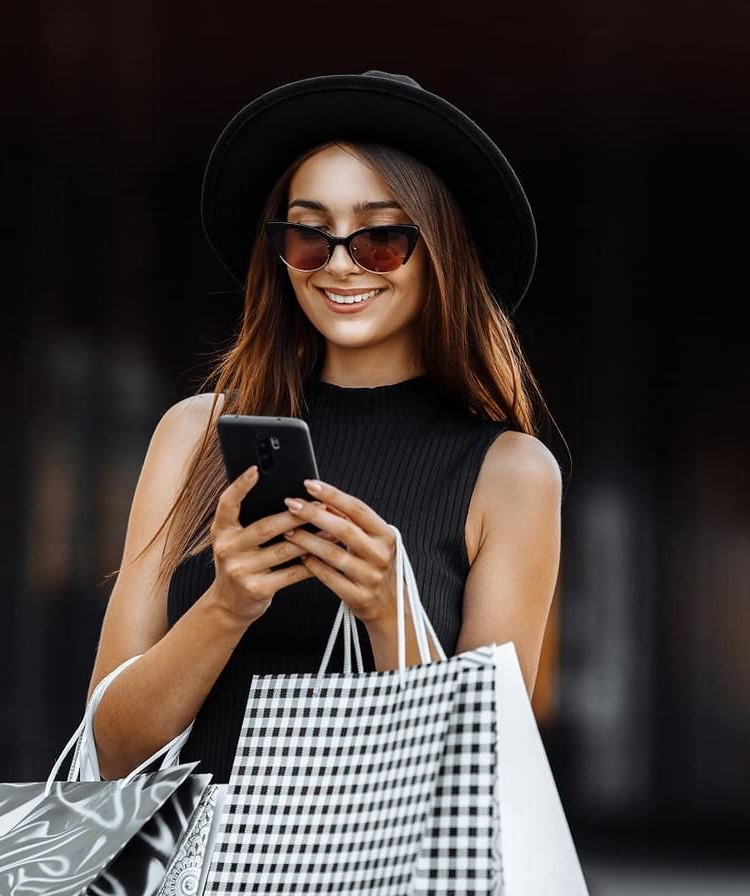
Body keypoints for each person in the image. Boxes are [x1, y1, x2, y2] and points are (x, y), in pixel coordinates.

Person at [88, 71, 564, 783]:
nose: (339, 265)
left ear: (440, 252)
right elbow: (111, 750)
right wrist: (225, 606)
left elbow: (489, 780)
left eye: (379, 239)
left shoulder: (510, 474)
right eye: (310, 236)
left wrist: (387, 609)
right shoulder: (194, 436)